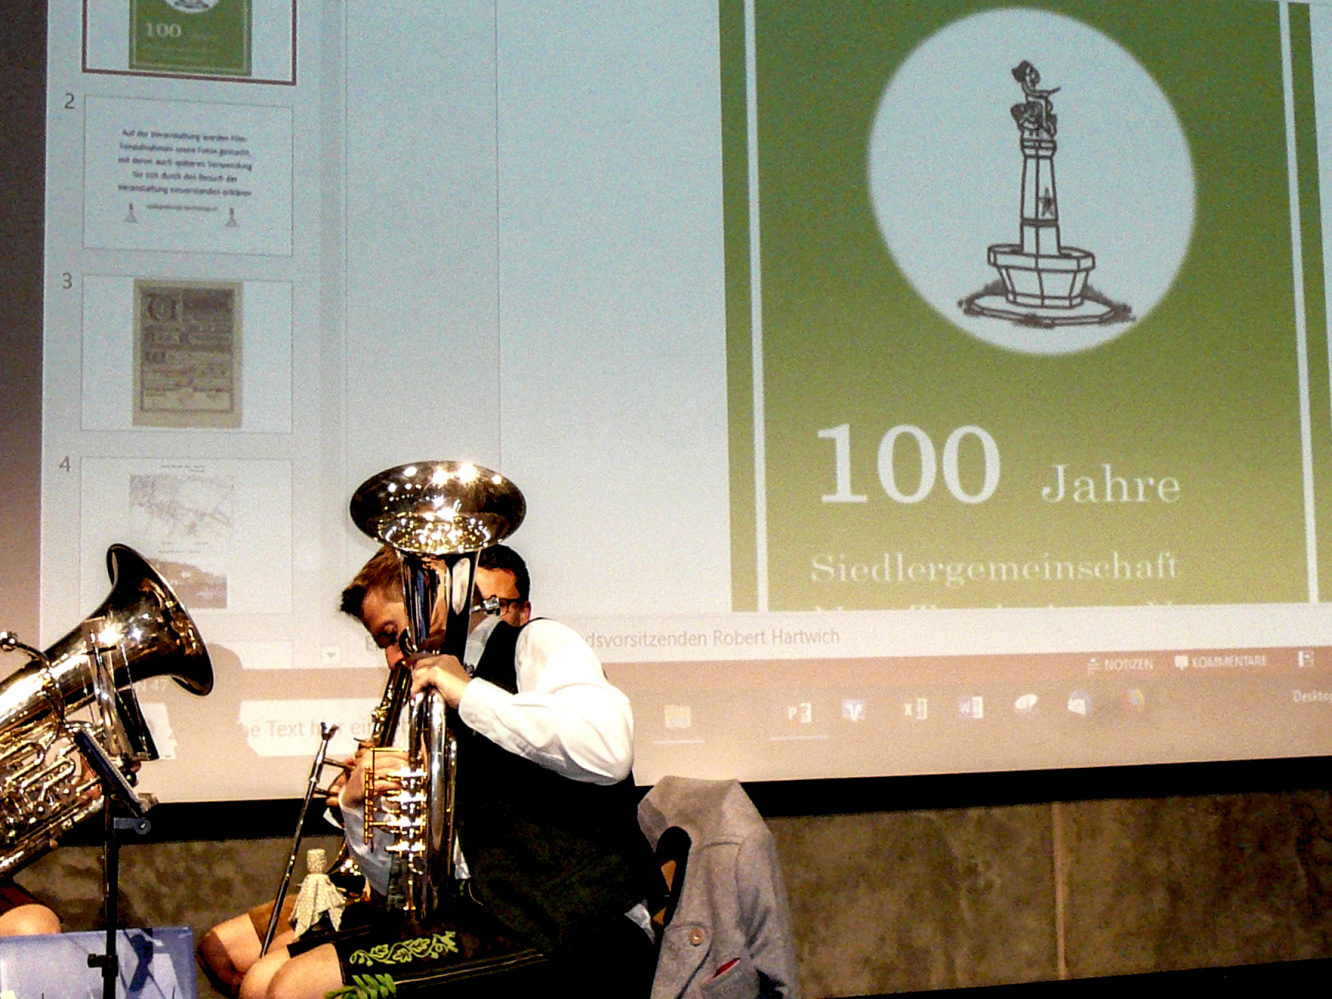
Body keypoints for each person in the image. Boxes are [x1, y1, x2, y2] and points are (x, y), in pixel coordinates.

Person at [200, 545, 533, 994]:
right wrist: (355, 801)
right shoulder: (418, 695)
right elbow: (395, 868)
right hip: (398, 888)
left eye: (489, 608)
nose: (395, 657)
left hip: (490, 906)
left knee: (276, 978)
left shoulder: (523, 676)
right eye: (384, 642)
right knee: (243, 963)